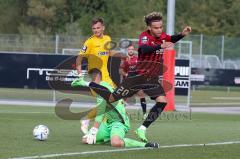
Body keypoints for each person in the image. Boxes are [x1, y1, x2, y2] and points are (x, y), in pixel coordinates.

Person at [74, 12, 191, 142]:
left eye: (161, 27)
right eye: (156, 28)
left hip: (151, 78)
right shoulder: (144, 36)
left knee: (162, 102)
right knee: (111, 99)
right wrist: (160, 46)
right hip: (137, 76)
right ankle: (92, 122)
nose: (159, 30)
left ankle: (142, 129)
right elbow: (143, 49)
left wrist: (182, 35)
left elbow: (170, 38)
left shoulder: (161, 36)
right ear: (149, 28)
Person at [81, 68, 159, 148]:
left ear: (96, 77)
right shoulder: (102, 87)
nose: (90, 82)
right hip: (107, 122)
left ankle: (145, 145)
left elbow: (100, 112)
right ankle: (110, 137)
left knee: (116, 143)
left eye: (91, 79)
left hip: (119, 122)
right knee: (85, 140)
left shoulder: (102, 89)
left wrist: (94, 131)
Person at [74, 17, 125, 134]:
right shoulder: (89, 42)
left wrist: (122, 55)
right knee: (104, 101)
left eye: (98, 28)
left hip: (107, 77)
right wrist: (80, 75)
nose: (96, 30)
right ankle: (88, 121)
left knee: (115, 101)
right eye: (93, 28)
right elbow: (79, 59)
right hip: (96, 77)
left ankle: (94, 123)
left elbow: (109, 52)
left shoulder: (107, 38)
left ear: (103, 27)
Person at [119, 44, 147, 119]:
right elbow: (120, 70)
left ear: (134, 50)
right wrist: (126, 74)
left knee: (141, 94)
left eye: (132, 49)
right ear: (127, 51)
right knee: (124, 98)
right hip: (127, 82)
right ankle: (121, 113)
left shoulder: (137, 59)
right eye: (129, 49)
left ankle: (144, 114)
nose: (131, 50)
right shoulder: (124, 59)